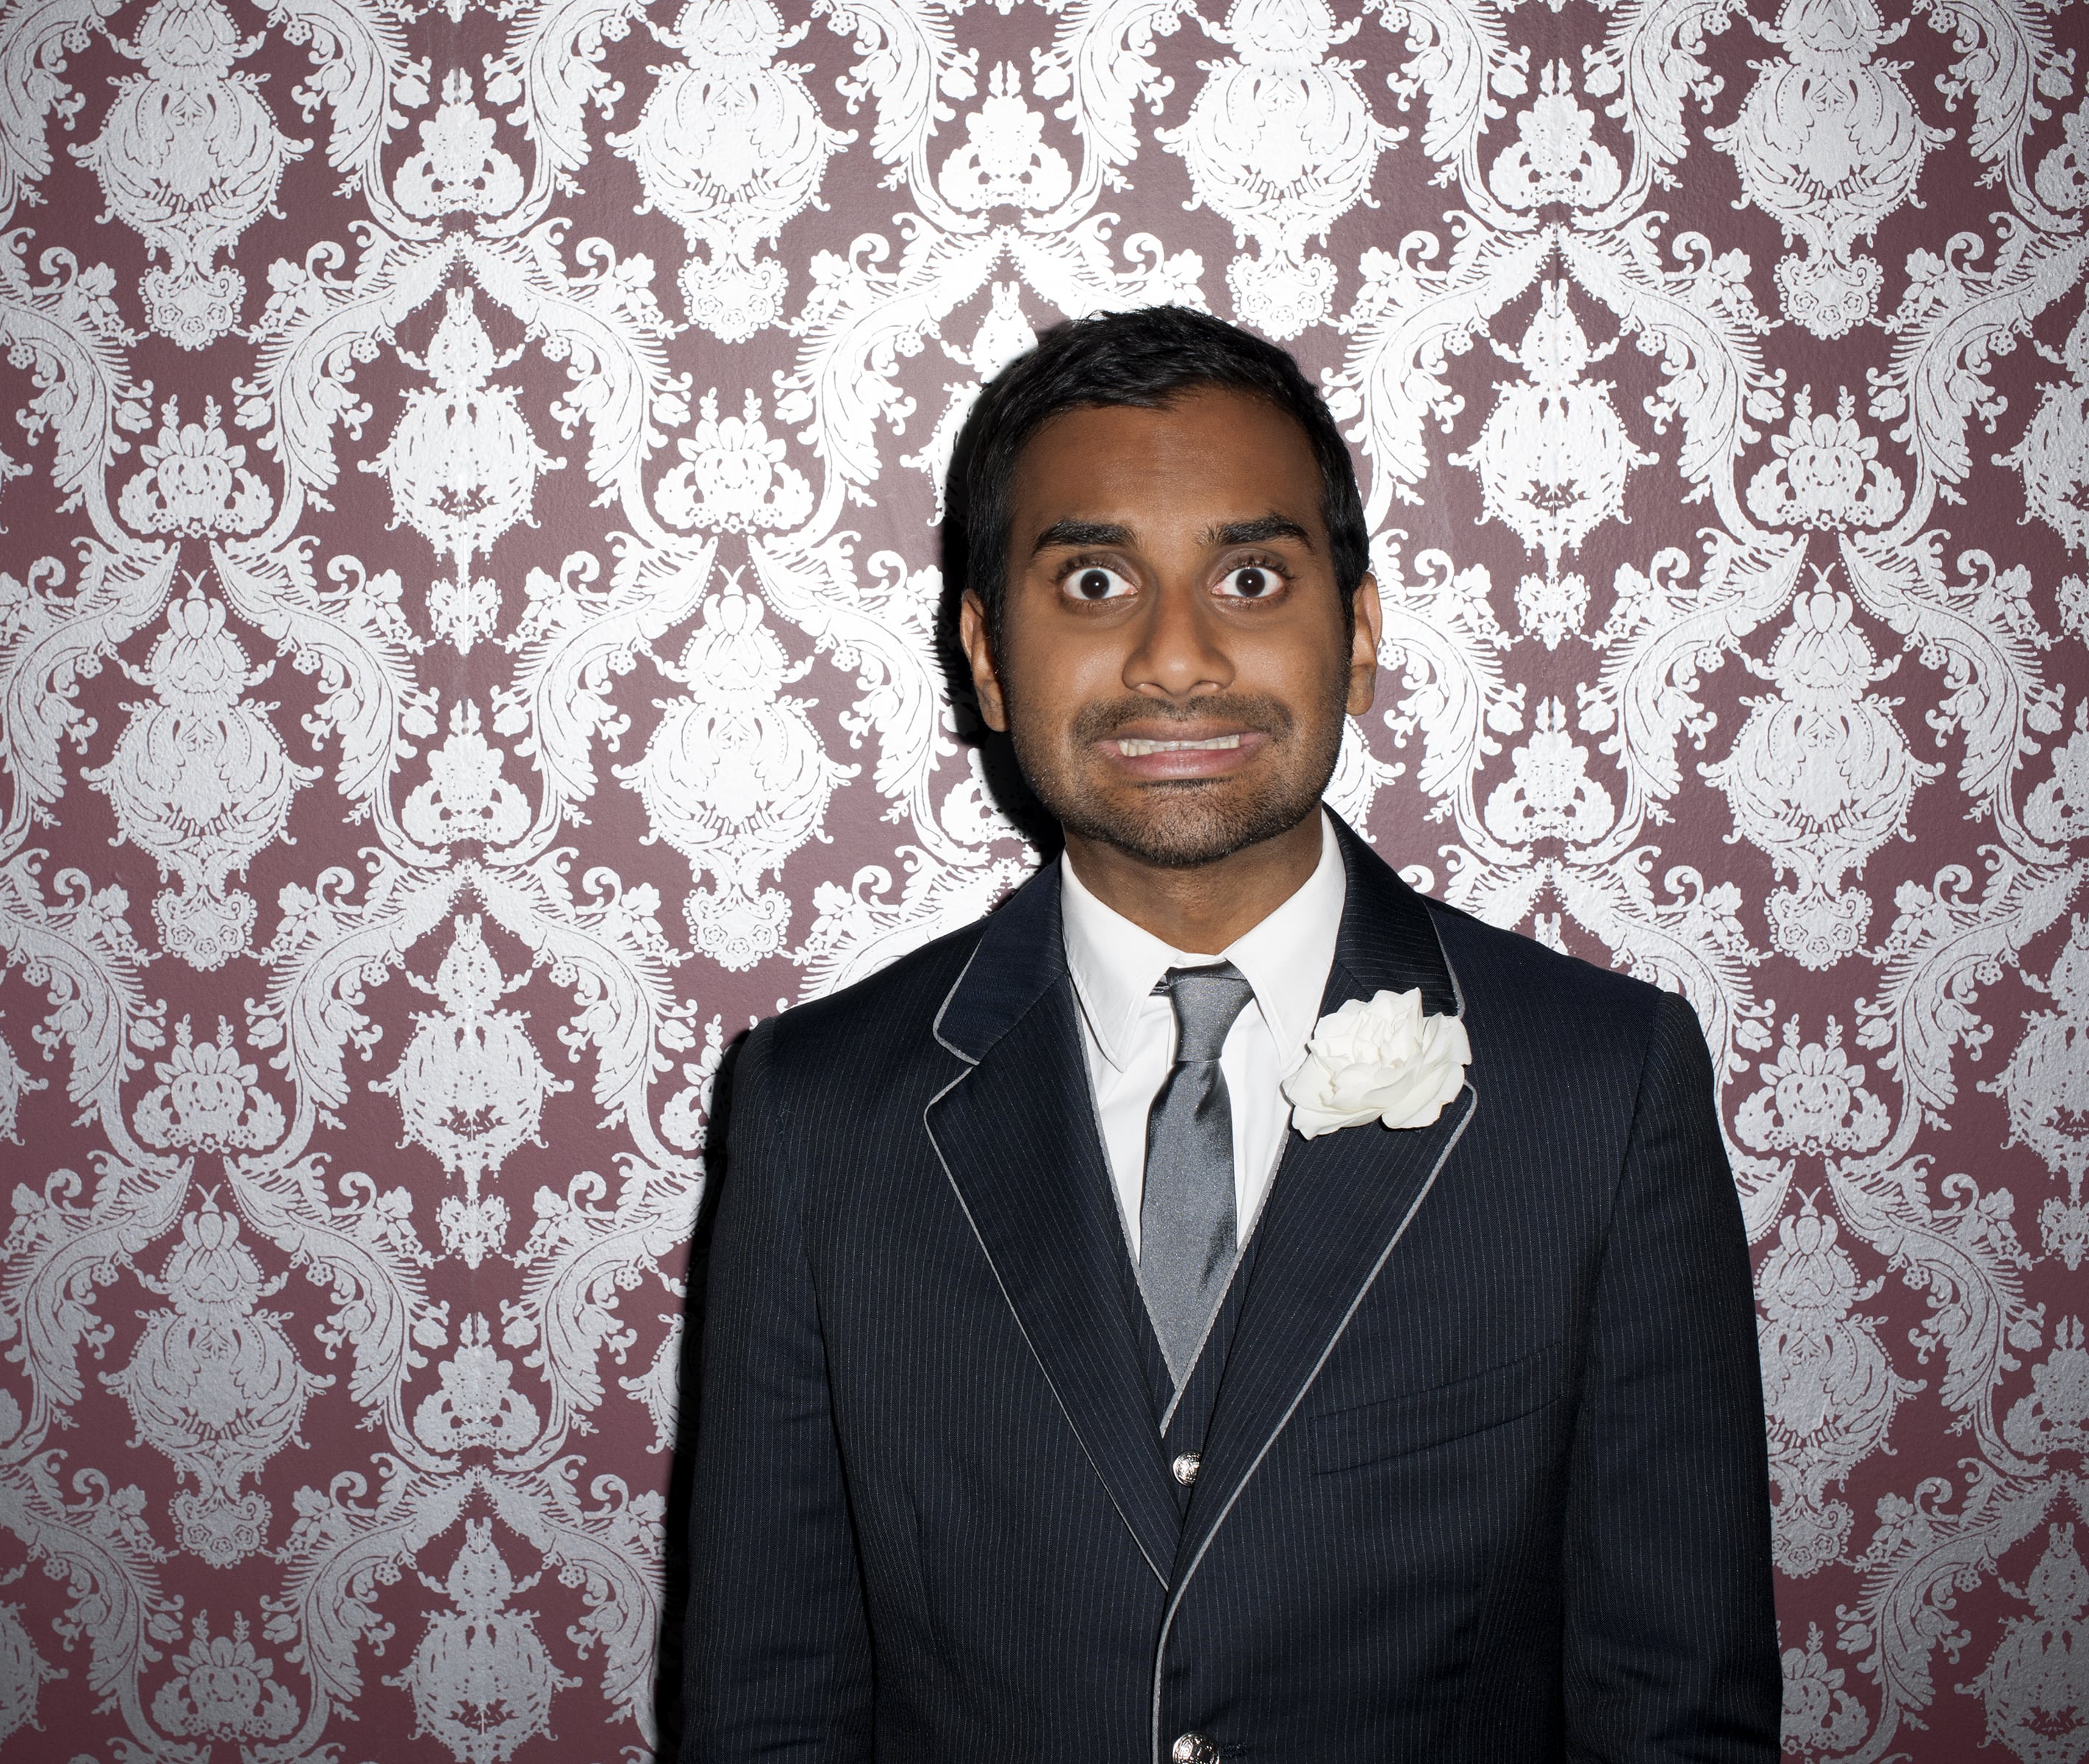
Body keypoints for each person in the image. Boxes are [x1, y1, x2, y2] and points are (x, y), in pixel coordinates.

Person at [676, 306, 1777, 1763]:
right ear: (987, 656)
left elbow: (1675, 1710)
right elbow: (767, 1708)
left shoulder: (1603, 1087)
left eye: (1249, 578)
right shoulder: (817, 1108)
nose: (1177, 660)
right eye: (1094, 581)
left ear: (1358, 635)